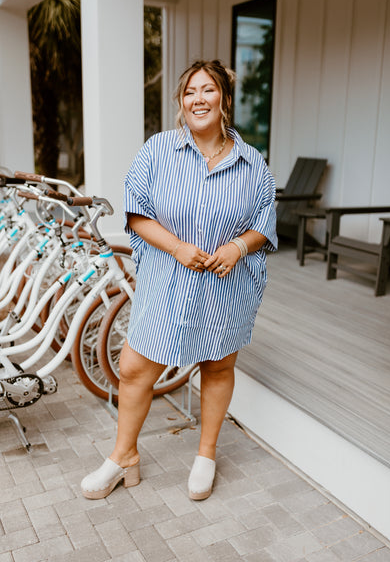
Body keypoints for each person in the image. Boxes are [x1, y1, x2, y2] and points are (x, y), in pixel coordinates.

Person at [81, 59, 277, 501]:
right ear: (181, 102)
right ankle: (123, 457)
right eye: (190, 92)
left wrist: (237, 248)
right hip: (168, 280)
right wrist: (177, 248)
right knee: (134, 368)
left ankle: (206, 454)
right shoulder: (158, 150)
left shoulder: (252, 163)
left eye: (207, 90)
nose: (198, 99)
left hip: (227, 286)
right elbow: (136, 211)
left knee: (218, 365)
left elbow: (265, 221)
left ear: (224, 99)